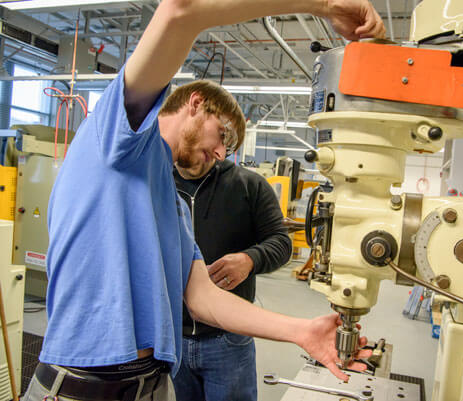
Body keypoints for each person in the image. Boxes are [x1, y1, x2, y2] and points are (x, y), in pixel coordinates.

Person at [22, 1, 385, 400]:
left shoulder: (173, 204)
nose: (221, 154)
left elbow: (204, 299)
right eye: (223, 136)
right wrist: (325, 4)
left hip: (151, 386)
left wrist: (301, 331)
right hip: (81, 389)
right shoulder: (117, 137)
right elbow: (181, 9)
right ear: (195, 104)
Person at [173, 156, 292, 401]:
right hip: (172, 340)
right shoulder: (159, 184)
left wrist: (251, 259)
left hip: (228, 339)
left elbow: (281, 241)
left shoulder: (249, 185)